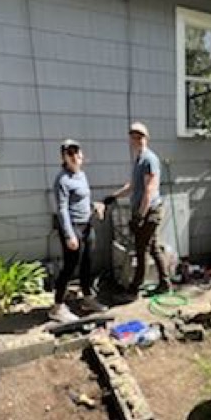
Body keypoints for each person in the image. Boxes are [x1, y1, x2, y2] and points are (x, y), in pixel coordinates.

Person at [104, 122, 171, 296]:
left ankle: (134, 288)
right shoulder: (138, 160)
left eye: (140, 137)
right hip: (143, 211)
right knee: (153, 247)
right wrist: (114, 196)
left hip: (150, 211)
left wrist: (139, 216)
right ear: (130, 139)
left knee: (141, 249)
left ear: (146, 139)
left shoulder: (149, 159)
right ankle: (165, 283)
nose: (137, 140)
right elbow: (133, 186)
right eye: (134, 137)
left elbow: (150, 190)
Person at [50, 139, 107, 323]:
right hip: (73, 227)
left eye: (77, 152)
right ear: (64, 157)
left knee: (87, 264)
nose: (75, 156)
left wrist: (94, 206)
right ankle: (57, 307)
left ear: (81, 155)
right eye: (70, 153)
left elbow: (81, 200)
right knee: (69, 266)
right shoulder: (62, 180)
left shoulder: (81, 175)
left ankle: (87, 299)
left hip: (86, 225)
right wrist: (69, 235)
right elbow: (62, 209)